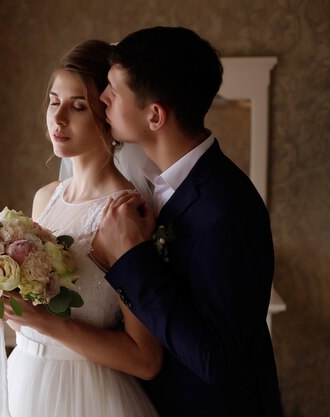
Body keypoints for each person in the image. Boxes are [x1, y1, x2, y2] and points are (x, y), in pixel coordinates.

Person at [94, 26, 284, 417]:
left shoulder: (227, 209)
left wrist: (132, 258)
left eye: (114, 89)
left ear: (155, 115)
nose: (102, 98)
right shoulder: (146, 184)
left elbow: (216, 360)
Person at [0, 40, 161, 417]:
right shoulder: (46, 198)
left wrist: (43, 321)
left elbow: (145, 358)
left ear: (107, 115)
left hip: (85, 394)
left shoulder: (123, 214)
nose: (57, 119)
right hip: (25, 381)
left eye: (78, 107)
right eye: (54, 101)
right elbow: (33, 315)